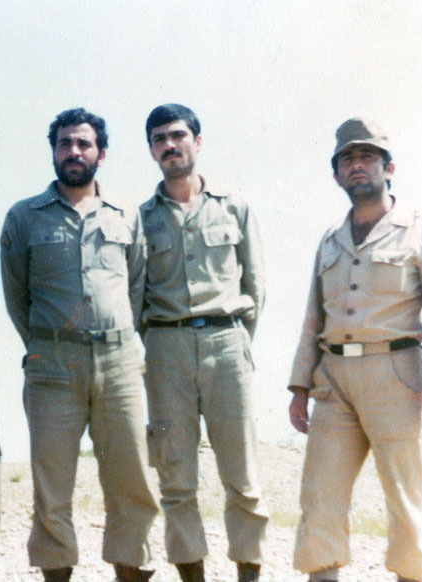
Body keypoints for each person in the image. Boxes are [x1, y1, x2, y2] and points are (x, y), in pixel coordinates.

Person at [1, 108, 158, 582]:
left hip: (119, 362)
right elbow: (16, 295)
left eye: (84, 144)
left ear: (101, 154)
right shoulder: (24, 217)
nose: (74, 151)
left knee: (131, 480)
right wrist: (49, 342)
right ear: (53, 152)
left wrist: (112, 332)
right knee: (52, 486)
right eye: (65, 143)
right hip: (52, 365)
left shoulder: (126, 213)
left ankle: (132, 571)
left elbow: (137, 285)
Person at [288, 118, 422, 582]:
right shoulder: (330, 239)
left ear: (389, 168)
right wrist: (299, 386)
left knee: (407, 499)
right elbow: (314, 317)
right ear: (336, 175)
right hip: (333, 381)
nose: (357, 165)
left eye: (367, 156)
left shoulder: (420, 230)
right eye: (347, 159)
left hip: (397, 376)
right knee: (320, 498)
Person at [139, 104, 267, 582]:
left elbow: (256, 284)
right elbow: (134, 293)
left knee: (243, 474)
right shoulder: (141, 220)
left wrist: (235, 340)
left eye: (178, 135)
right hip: (166, 349)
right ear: (151, 150)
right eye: (159, 139)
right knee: (175, 477)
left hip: (226, 344)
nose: (169, 145)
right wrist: (155, 345)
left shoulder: (234, 206)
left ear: (197, 141)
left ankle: (248, 573)